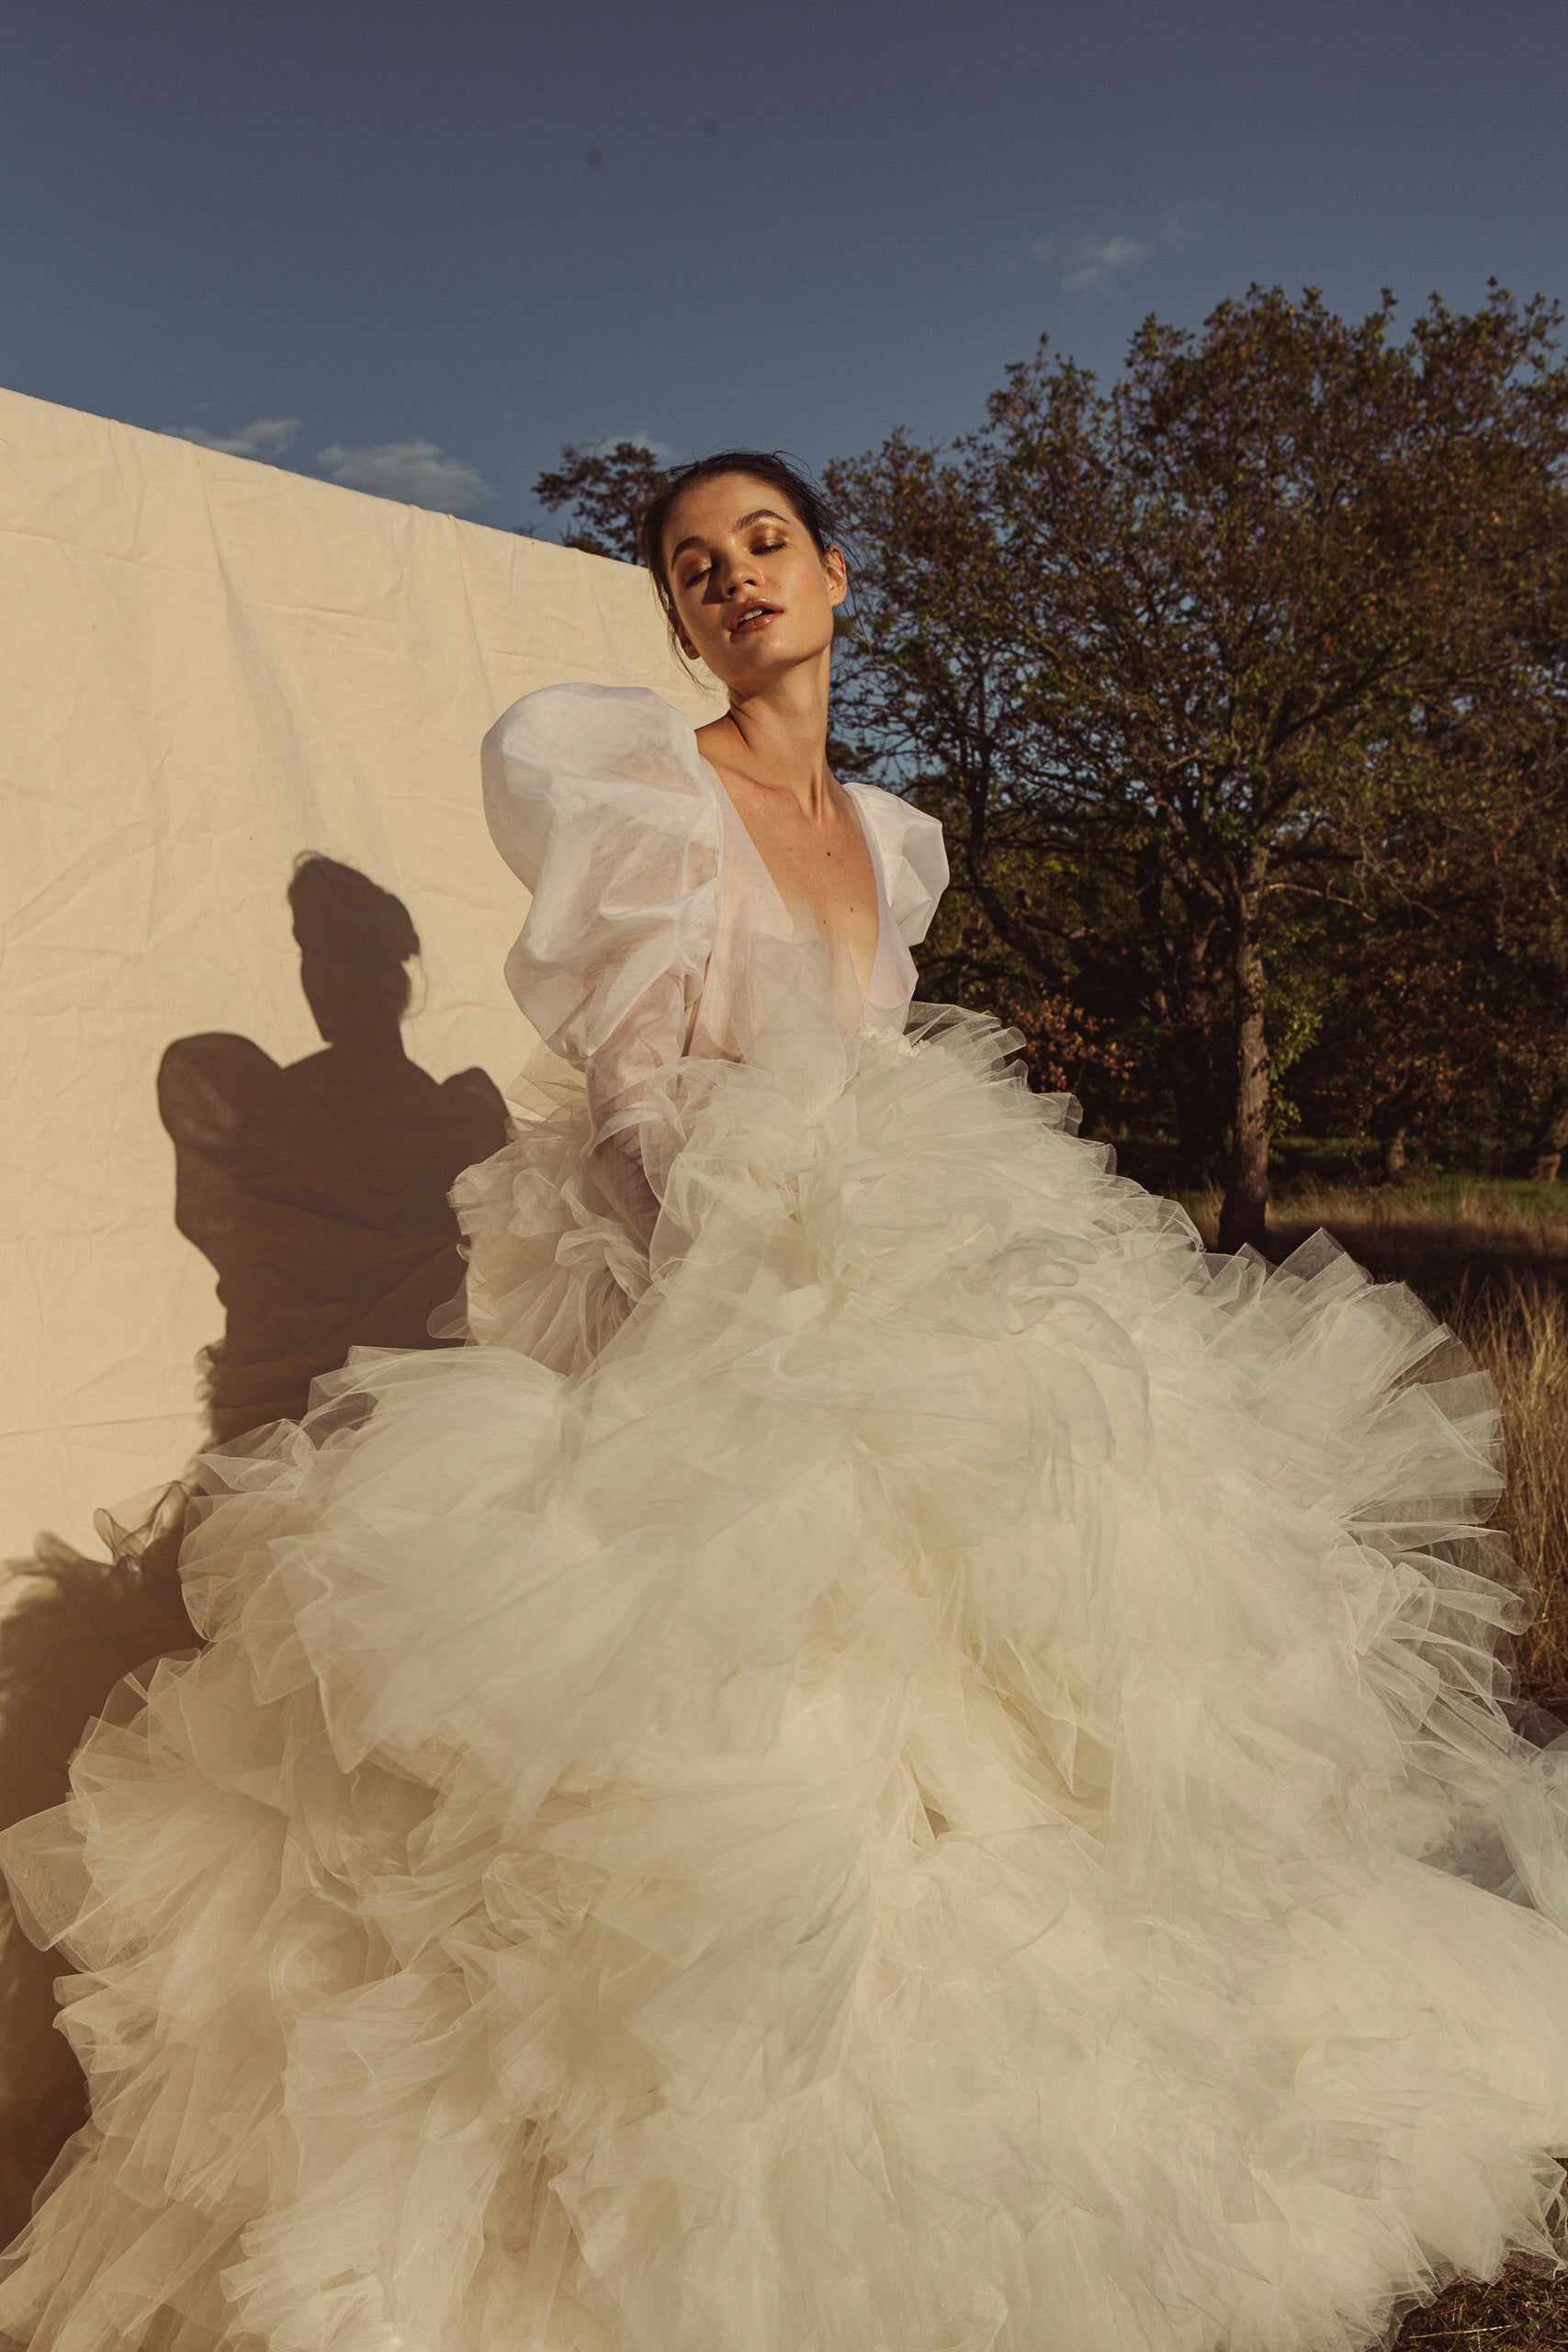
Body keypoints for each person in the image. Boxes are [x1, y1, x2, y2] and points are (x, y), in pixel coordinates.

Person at [3, 451, 1568, 2352]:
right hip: (730, 1307)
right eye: (689, 566)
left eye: (761, 545)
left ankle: (1029, 2150)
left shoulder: (890, 839)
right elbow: (648, 1104)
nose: (731, 582)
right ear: (671, 615)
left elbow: (873, 1069)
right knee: (740, 1766)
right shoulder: (646, 797)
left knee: (1037, 1692)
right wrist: (747, 1318)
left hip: (910, 1291)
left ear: (836, 571)